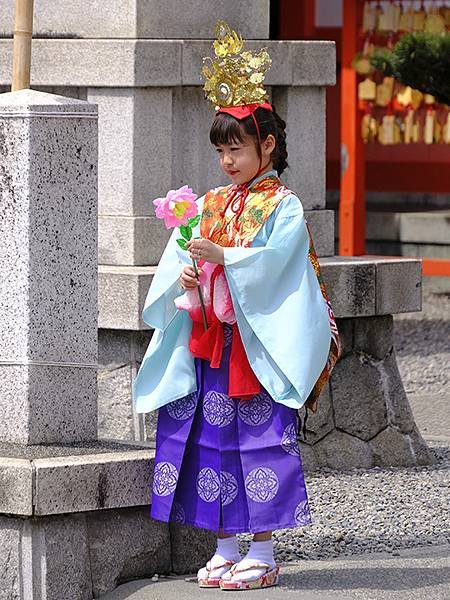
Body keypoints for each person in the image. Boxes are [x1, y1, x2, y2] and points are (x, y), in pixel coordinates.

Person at [133, 21, 341, 591]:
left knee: (261, 438)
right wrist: (188, 268)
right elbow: (189, 256)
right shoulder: (209, 201)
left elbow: (280, 265)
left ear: (267, 146)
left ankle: (265, 549)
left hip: (255, 342)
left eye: (237, 148)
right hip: (211, 340)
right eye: (221, 150)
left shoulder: (286, 205)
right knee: (209, 438)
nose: (227, 161)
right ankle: (226, 543)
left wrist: (224, 255)